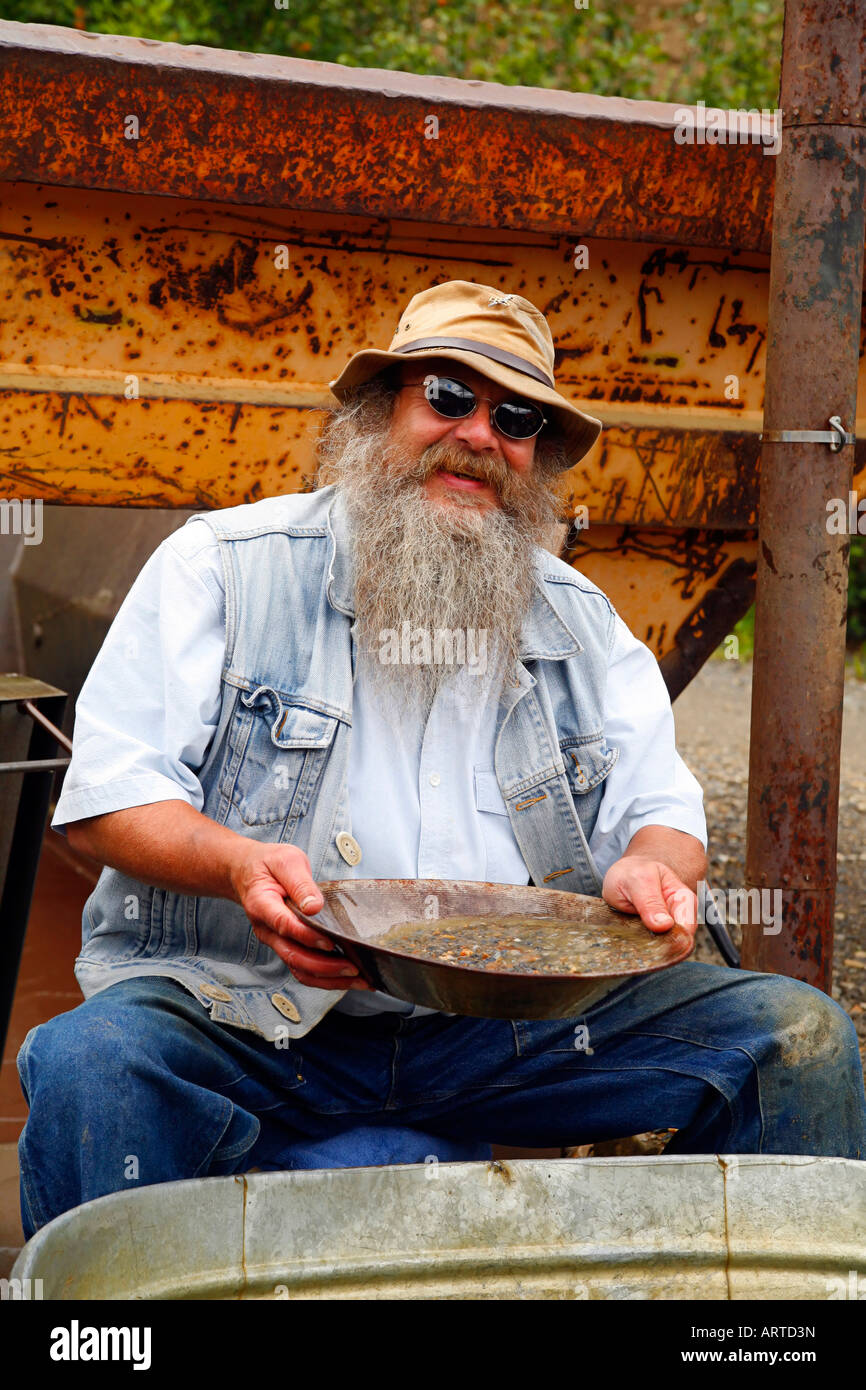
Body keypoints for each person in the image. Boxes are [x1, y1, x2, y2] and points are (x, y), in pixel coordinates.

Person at [17, 280, 866, 1238]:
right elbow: (110, 794)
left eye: (515, 418)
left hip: (504, 1035)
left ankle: (761, 1336)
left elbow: (661, 821)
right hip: (248, 1017)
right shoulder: (224, 565)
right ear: (382, 413)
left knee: (800, 1041)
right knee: (94, 1065)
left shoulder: (579, 622)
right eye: (449, 398)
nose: (479, 435)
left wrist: (651, 874)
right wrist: (237, 866)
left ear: (535, 459)